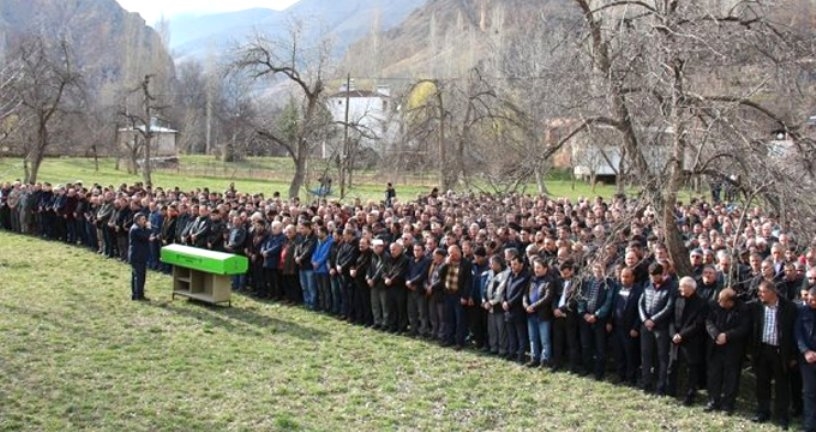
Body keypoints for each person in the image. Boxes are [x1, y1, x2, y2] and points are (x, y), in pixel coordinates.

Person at [750, 279, 798, 429]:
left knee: (782, 385)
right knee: (762, 383)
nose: (760, 295)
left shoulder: (789, 307)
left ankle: (782, 416)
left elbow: (794, 333)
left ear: (772, 292)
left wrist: (793, 355)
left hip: (780, 352)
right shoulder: (757, 306)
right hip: (762, 350)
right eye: (759, 292)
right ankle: (762, 412)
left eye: (763, 292)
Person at [705, 287, 750, 414]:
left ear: (730, 302)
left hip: (733, 348)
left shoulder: (743, 309)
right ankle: (713, 401)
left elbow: (744, 327)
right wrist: (716, 335)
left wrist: (727, 336)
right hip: (716, 346)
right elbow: (708, 322)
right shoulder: (714, 306)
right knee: (714, 375)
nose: (719, 302)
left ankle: (728, 404)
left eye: (722, 300)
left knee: (731, 378)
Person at [667, 276, 709, 405]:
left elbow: (698, 324)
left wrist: (682, 335)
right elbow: (671, 318)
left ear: (691, 288)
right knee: (672, 366)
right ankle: (670, 392)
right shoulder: (677, 299)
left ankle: (690, 395)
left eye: (682, 287)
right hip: (675, 338)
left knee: (692, 369)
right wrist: (673, 334)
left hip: (691, 340)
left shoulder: (701, 303)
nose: (680, 289)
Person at [639, 262, 676, 395]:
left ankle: (661, 386)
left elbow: (669, 307)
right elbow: (641, 303)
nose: (653, 279)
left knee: (662, 358)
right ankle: (646, 383)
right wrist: (645, 320)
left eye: (655, 276)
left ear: (662, 274)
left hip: (661, 328)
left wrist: (653, 320)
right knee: (646, 356)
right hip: (646, 327)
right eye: (651, 276)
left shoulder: (671, 286)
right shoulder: (647, 284)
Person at [577, 261, 615, 379]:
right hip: (585, 318)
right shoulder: (586, 281)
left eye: (600, 268)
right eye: (595, 267)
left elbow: (608, 302)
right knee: (586, 345)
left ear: (605, 269)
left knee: (600, 347)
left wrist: (597, 315)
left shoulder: (609, 283)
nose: (598, 270)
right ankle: (587, 368)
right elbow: (580, 298)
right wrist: (583, 313)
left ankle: (599, 372)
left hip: (600, 320)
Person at [524, 258, 558, 367]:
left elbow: (547, 298)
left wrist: (533, 306)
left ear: (545, 269)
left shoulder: (549, 281)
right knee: (532, 338)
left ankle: (545, 360)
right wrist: (526, 305)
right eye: (535, 267)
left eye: (538, 267)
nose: (536, 270)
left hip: (543, 315)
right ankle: (534, 358)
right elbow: (525, 294)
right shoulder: (532, 279)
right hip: (531, 314)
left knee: (545, 340)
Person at [612, 266, 643, 386]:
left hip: (630, 329)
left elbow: (640, 311)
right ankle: (621, 376)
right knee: (619, 353)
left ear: (633, 277)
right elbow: (613, 306)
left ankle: (631, 378)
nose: (624, 279)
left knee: (630, 355)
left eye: (627, 277)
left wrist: (635, 328)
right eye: (622, 277)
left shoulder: (639, 291)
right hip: (617, 327)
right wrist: (610, 322)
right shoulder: (618, 288)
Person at [795, 286, 816, 432]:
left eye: (814, 300)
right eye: (809, 299)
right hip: (807, 359)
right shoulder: (802, 311)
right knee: (809, 392)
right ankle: (809, 424)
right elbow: (797, 333)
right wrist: (806, 351)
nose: (811, 302)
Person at [128, 213, 152, 301]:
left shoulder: (139, 228)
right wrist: (149, 228)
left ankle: (136, 294)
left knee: (138, 276)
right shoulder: (136, 229)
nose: (145, 221)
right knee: (139, 276)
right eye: (143, 219)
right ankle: (138, 295)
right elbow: (145, 236)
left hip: (139, 255)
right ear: (138, 221)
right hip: (137, 256)